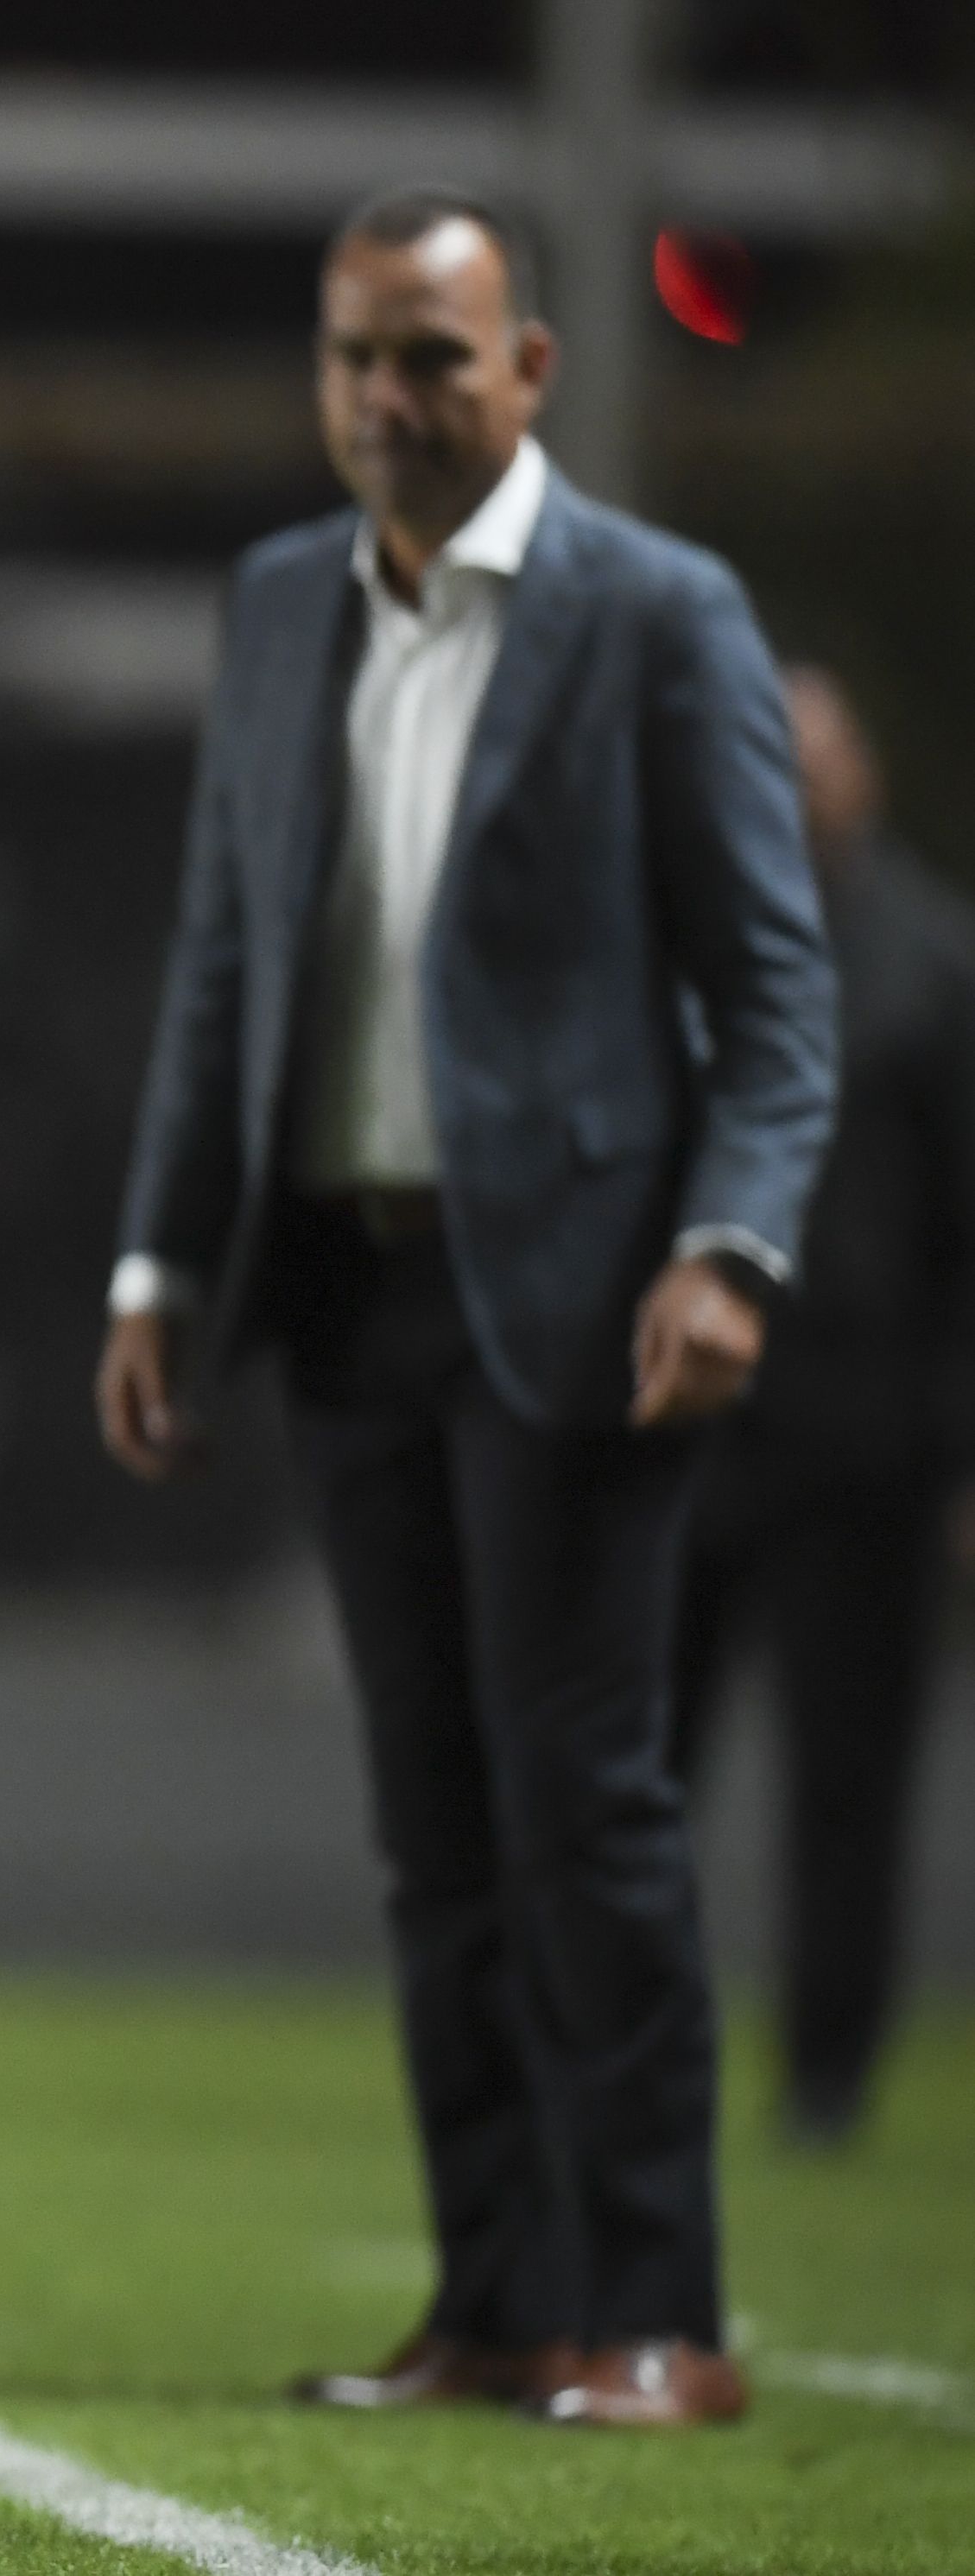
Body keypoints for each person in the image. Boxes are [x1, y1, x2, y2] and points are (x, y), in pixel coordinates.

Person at [98, 190, 834, 2429]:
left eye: (429, 356)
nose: (386, 399)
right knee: (434, 1834)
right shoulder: (270, 608)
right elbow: (223, 959)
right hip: (342, 1291)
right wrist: (158, 1262)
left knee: (586, 1815)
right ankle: (500, 2303)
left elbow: (773, 993)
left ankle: (663, 2318)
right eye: (352, 359)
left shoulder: (658, 614)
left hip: (588, 1305)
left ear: (527, 371)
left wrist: (729, 1248)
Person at [670, 665, 975, 2148]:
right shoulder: (673, 946)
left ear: (865, 773)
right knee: (629, 1770)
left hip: (862, 1427)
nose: (791, 785)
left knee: (845, 1776)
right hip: (677, 1423)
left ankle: (827, 2079)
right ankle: (623, 2072)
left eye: (815, 756)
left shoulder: (930, 964)